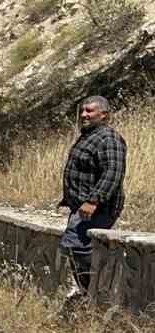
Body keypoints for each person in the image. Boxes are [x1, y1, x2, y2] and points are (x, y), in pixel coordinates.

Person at [59, 95, 127, 310]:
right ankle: (89, 294)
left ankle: (94, 296)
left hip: (96, 208)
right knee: (75, 248)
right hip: (82, 206)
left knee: (77, 247)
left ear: (104, 115)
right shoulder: (89, 136)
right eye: (82, 111)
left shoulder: (109, 138)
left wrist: (93, 201)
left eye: (89, 111)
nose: (83, 115)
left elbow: (113, 173)